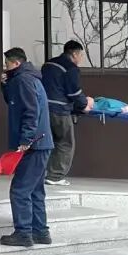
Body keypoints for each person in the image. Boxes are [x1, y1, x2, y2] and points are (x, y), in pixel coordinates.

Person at [0, 48, 54, 247]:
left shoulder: (23, 80)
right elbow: (15, 102)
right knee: (36, 189)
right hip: (41, 143)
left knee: (20, 190)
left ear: (16, 63)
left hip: (33, 144)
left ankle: (23, 233)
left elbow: (31, 111)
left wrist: (25, 140)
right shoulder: (28, 78)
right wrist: (5, 85)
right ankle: (41, 232)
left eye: (7, 64)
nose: (5, 67)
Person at [42, 40, 89, 187]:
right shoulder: (70, 68)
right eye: (81, 55)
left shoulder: (48, 64)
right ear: (74, 54)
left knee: (46, 142)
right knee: (65, 143)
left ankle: (42, 173)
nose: (81, 58)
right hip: (60, 111)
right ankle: (55, 176)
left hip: (44, 110)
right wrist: (84, 105)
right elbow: (74, 92)